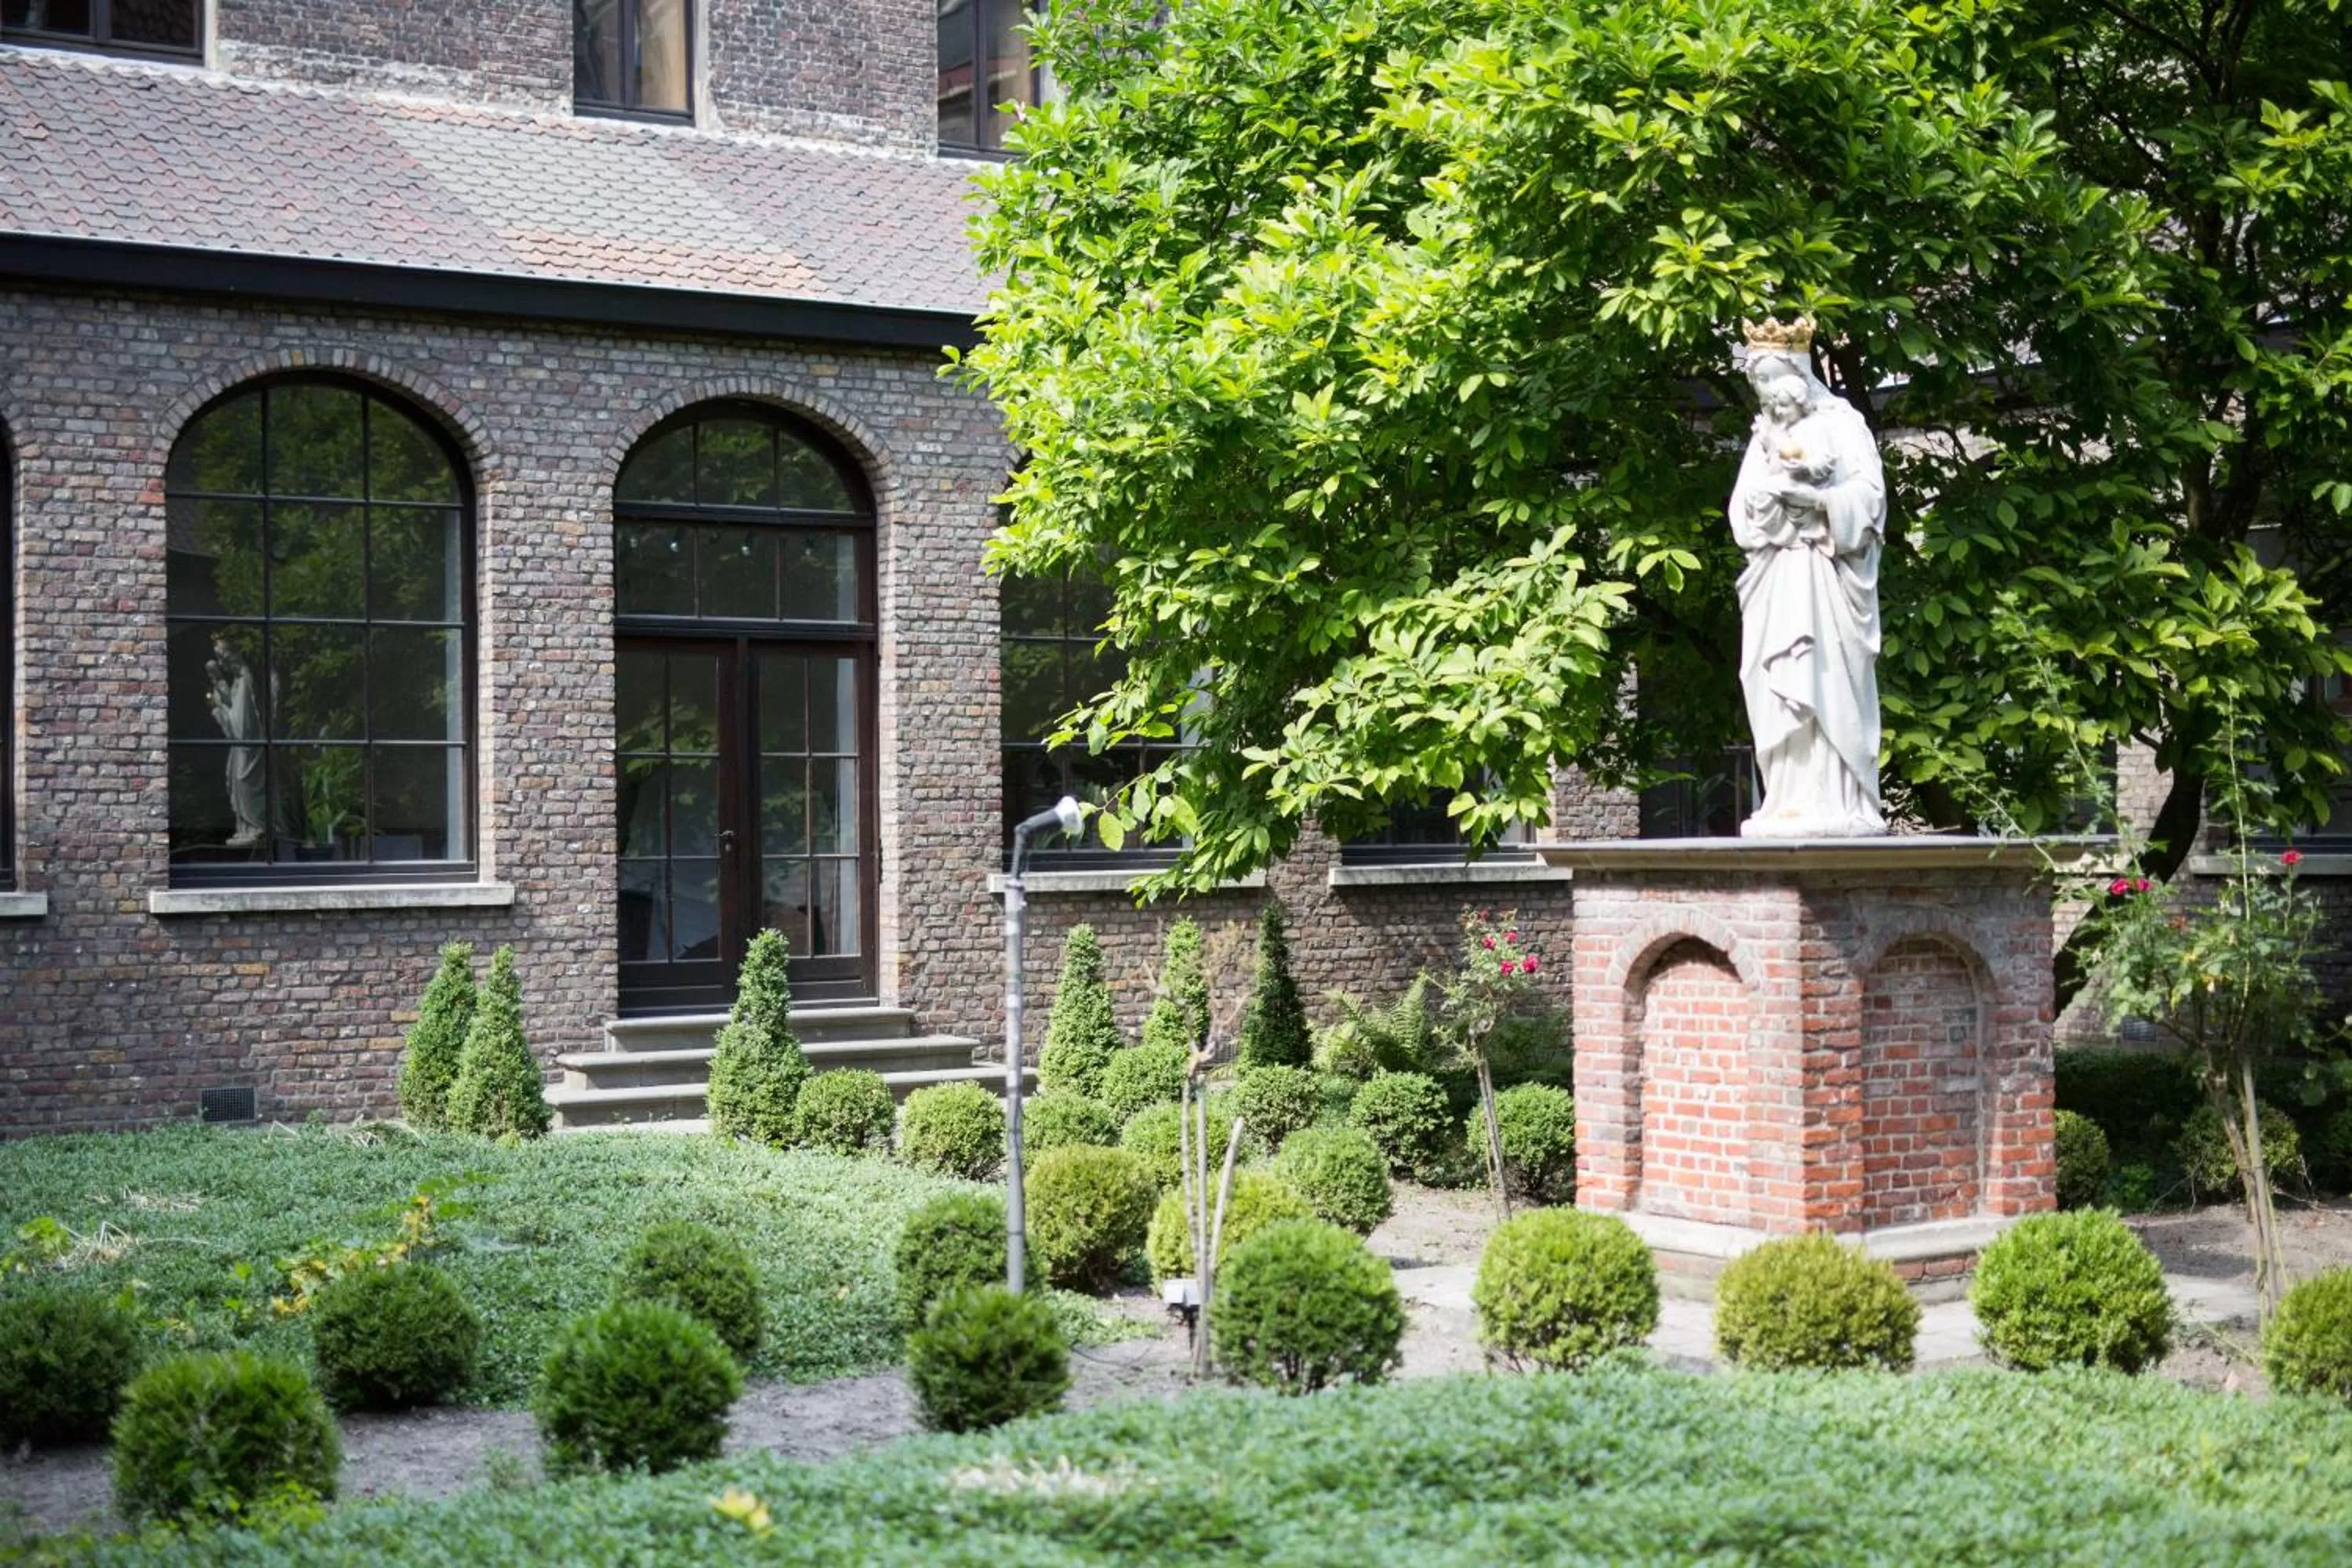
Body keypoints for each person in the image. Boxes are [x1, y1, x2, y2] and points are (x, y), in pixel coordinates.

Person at [1726, 318, 1887, 837]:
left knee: (1824, 677)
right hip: (1776, 576)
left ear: (1798, 375)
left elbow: (1870, 501)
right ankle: (1788, 798)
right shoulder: (1766, 435)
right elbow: (1742, 514)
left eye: (1773, 382)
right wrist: (1764, 502)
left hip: (1824, 576)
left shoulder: (1843, 425)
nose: (1768, 396)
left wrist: (1818, 503)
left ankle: (1838, 802)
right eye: (1760, 387)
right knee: (1770, 678)